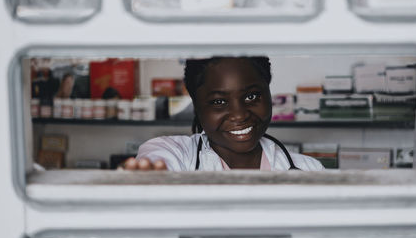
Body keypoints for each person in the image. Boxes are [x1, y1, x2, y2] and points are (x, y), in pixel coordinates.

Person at [123, 56, 324, 171]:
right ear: (197, 105)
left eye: (252, 97)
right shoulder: (176, 153)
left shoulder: (308, 169)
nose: (239, 115)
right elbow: (158, 164)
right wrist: (152, 177)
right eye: (219, 102)